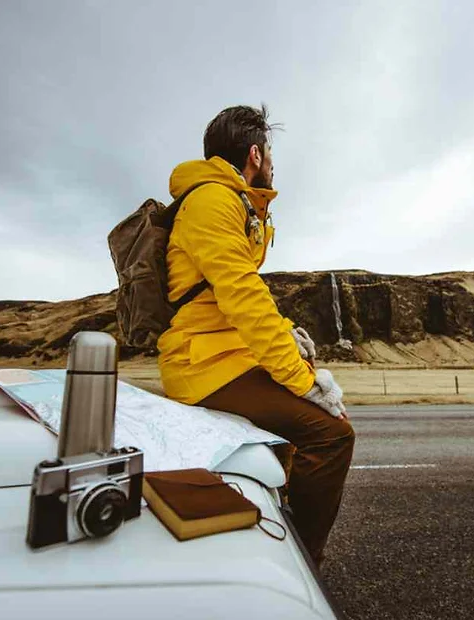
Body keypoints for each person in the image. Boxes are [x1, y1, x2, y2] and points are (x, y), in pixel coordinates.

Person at [157, 104, 355, 566]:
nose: (271, 164)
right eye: (269, 155)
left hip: (225, 353)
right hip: (202, 364)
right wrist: (303, 382)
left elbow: (234, 294)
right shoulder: (213, 201)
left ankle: (264, 537)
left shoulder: (237, 203)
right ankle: (303, 567)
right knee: (331, 435)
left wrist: (288, 335)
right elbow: (241, 294)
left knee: (289, 440)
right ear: (254, 155)